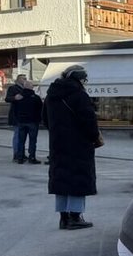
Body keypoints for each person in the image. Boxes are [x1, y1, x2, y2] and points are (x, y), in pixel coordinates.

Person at [42, 65, 100, 230]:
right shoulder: (79, 95)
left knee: (61, 178)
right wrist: (94, 137)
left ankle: (63, 218)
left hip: (57, 143)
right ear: (80, 79)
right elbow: (88, 121)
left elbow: (44, 119)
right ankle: (75, 216)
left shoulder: (51, 95)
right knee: (77, 178)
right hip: (78, 144)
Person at [12, 80, 43, 164]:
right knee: (32, 140)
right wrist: (39, 119)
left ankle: (20, 158)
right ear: (31, 87)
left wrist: (17, 118)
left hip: (21, 121)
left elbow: (14, 109)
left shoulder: (19, 97)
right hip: (33, 122)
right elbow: (40, 109)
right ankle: (32, 157)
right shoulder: (36, 98)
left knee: (21, 140)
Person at [5, 75, 27, 162]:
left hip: (24, 115)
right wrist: (15, 98)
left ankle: (21, 153)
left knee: (23, 135)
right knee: (18, 135)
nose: (25, 80)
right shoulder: (13, 88)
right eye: (23, 78)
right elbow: (7, 99)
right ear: (18, 80)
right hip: (16, 114)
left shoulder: (25, 89)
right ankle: (17, 154)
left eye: (25, 79)